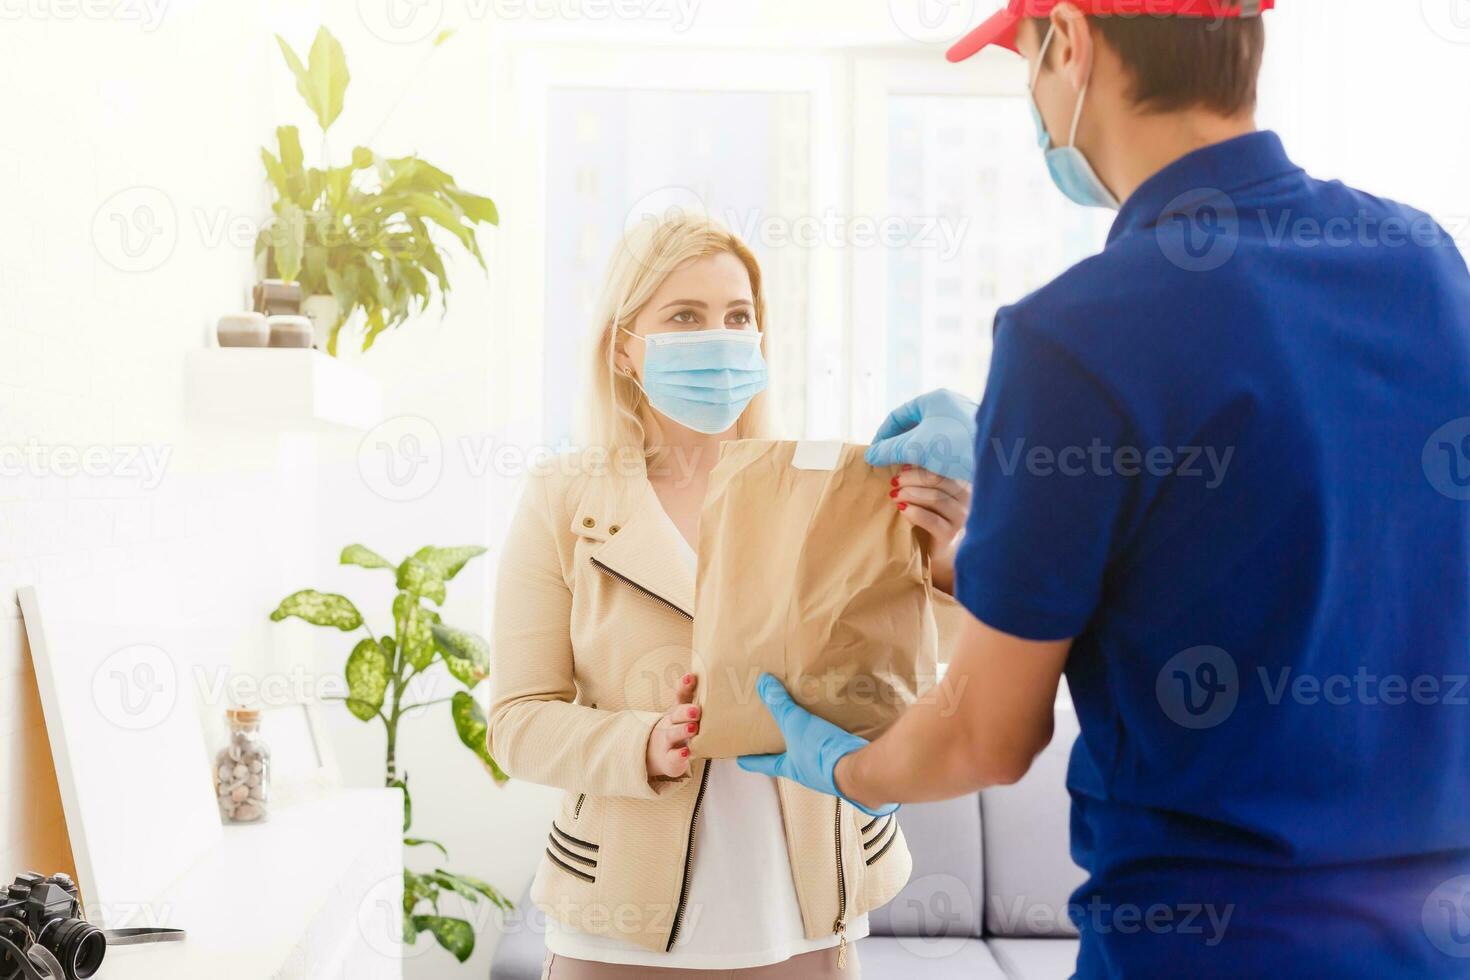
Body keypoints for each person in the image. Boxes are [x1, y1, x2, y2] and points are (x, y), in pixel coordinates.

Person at [739, 2, 1470, 976]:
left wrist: (841, 764)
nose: (1035, 97)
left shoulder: (1072, 336)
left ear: (1072, 42)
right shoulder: (1423, 263)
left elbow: (985, 736)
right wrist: (996, 558)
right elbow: (1304, 550)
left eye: (1025, 61)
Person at [488, 212, 971, 978]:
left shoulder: (827, 484)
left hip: (807, 911)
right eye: (685, 316)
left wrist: (946, 559)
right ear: (623, 347)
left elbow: (928, 661)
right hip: (620, 925)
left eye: (738, 317)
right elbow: (515, 720)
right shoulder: (562, 496)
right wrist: (643, 743)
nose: (720, 338)